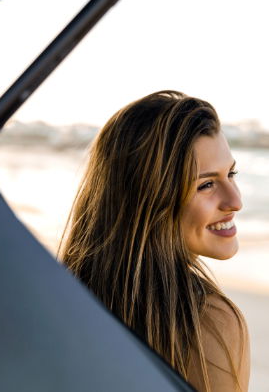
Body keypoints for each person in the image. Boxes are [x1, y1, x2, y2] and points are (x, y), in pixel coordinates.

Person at [59, 90, 250, 391]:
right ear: (150, 199)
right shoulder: (208, 322)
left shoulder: (60, 296)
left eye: (232, 174)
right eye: (207, 184)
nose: (235, 201)